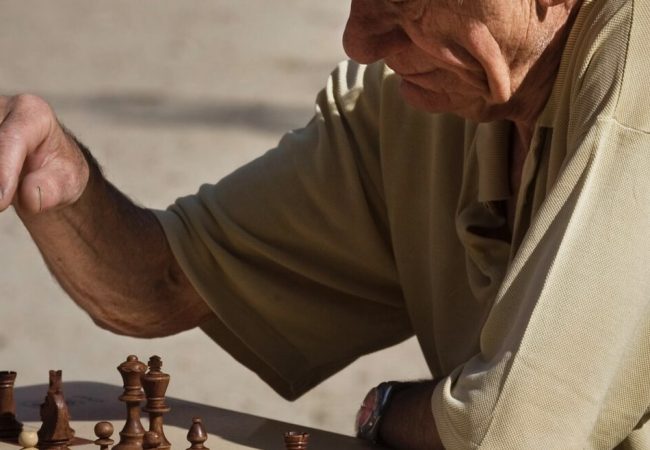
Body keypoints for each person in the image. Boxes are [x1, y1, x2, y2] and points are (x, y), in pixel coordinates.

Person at [1, 0, 649, 447]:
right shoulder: (420, 103)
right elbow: (163, 281)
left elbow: (510, 435)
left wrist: (387, 412)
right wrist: (62, 183)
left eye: (402, 0)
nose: (359, 40)